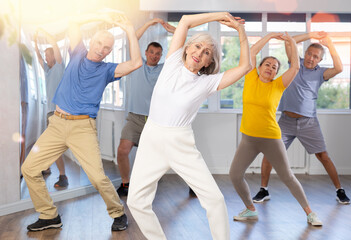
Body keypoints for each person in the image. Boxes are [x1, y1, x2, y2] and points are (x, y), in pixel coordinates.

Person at [127, 12, 251, 240]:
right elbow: (184, 20)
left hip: (180, 144)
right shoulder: (172, 62)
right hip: (151, 138)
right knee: (136, 201)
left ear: (208, 63)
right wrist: (221, 15)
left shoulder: (207, 82)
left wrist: (240, 31)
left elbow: (245, 66)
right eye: (197, 46)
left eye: (206, 53)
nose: (199, 53)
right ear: (186, 48)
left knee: (214, 199)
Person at [21, 12, 142, 232]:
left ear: (109, 51)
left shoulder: (107, 70)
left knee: (97, 177)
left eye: (107, 47)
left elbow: (135, 63)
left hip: (82, 128)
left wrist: (129, 31)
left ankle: (118, 212)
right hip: (56, 124)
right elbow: (74, 21)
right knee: (29, 168)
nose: (101, 49)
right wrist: (100, 16)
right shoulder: (77, 52)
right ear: (91, 41)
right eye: (98, 43)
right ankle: (49, 215)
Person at [229, 32, 323, 226]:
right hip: (248, 139)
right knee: (235, 175)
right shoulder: (250, 77)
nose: (271, 68)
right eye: (267, 65)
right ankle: (250, 209)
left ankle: (310, 213)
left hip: (271, 138)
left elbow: (296, 66)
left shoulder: (278, 85)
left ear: (276, 73)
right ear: (259, 67)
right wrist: (270, 36)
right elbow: (252, 51)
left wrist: (290, 42)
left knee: (287, 176)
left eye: (275, 67)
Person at [252, 32, 350, 205]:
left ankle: (339, 190)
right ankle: (263, 189)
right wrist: (311, 35)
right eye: (309, 54)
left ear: (320, 60)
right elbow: (290, 42)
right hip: (286, 121)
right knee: (270, 154)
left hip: (308, 122)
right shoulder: (295, 64)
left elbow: (340, 68)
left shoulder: (321, 73)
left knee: (323, 155)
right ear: (305, 54)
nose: (311, 58)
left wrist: (329, 44)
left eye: (316, 56)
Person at [116, 18, 175, 196]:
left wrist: (173, 31)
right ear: (146, 52)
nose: (155, 56)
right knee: (122, 151)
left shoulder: (165, 69)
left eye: (158, 53)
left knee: (168, 156)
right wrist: (149, 24)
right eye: (152, 52)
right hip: (134, 118)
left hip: (155, 121)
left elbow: (184, 54)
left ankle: (192, 183)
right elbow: (131, 38)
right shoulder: (137, 65)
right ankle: (126, 184)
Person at [34, 28, 68, 188]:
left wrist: (47, 35)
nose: (46, 58)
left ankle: (63, 176)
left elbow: (55, 47)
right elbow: (39, 58)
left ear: (54, 55)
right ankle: (47, 167)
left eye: (49, 55)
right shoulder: (47, 70)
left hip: (58, 113)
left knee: (53, 146)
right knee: (47, 143)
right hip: (50, 112)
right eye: (46, 56)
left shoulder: (59, 67)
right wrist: (35, 42)